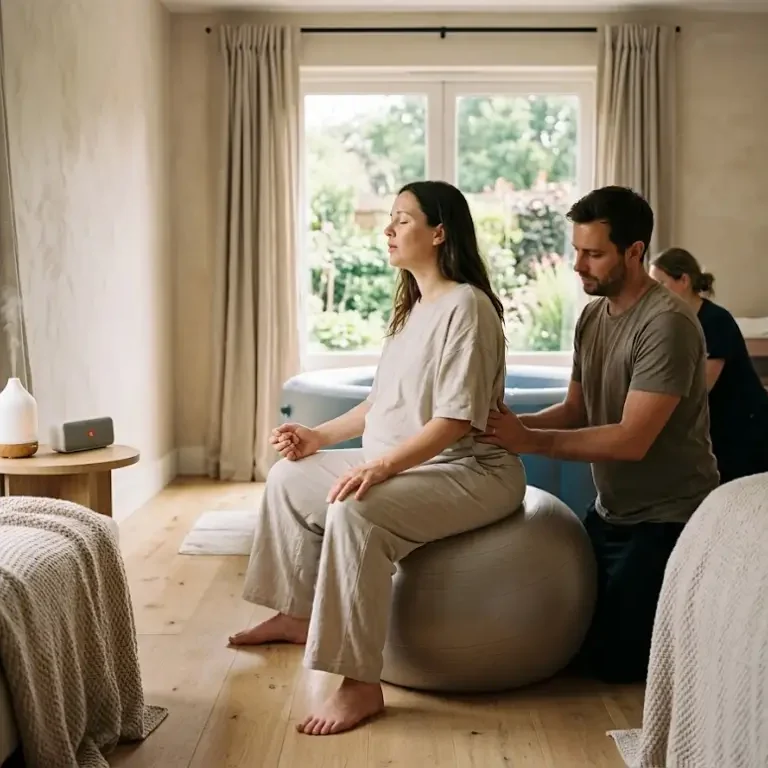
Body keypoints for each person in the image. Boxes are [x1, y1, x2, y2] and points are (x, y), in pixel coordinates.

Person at [228, 180, 526, 736]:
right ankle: (296, 614)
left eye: (403, 219)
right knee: (289, 477)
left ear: (439, 233)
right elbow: (377, 404)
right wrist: (316, 438)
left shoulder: (468, 306)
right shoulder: (413, 310)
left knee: (355, 509)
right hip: (399, 462)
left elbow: (455, 422)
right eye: (391, 218)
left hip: (467, 471)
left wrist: (381, 468)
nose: (388, 229)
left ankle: (360, 683)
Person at [479, 185, 719, 684]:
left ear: (634, 252)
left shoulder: (667, 324)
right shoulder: (591, 316)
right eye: (577, 250)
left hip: (668, 521)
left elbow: (632, 440)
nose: (578, 265)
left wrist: (530, 442)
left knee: (611, 666)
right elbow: (576, 409)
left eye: (593, 254)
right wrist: (505, 427)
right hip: (610, 512)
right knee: (563, 641)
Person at [650, 248, 768, 484]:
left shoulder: (716, 321)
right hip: (713, 426)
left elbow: (701, 387)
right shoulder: (673, 322)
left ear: (684, 281)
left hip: (745, 425)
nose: (654, 294)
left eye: (660, 284)